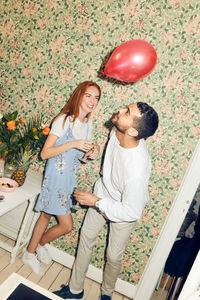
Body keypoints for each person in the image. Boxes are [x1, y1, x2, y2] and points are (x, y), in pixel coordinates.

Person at [54, 101, 159, 300]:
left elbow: (132, 211)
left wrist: (96, 201)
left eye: (127, 112)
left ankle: (106, 294)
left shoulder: (137, 169)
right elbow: (112, 158)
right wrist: (94, 152)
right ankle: (75, 290)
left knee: (113, 256)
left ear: (133, 132)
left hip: (125, 208)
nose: (120, 110)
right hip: (103, 192)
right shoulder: (117, 129)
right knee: (86, 238)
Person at [22, 81, 101, 276]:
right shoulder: (64, 120)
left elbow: (79, 156)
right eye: (88, 95)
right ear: (79, 95)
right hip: (55, 177)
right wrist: (74, 143)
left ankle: (32, 250)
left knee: (46, 215)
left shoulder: (88, 124)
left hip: (69, 179)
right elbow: (45, 153)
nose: (92, 101)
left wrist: (91, 153)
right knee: (67, 226)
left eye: (96, 97)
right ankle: (37, 246)